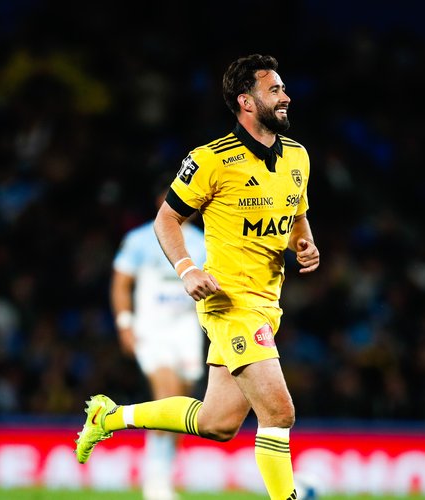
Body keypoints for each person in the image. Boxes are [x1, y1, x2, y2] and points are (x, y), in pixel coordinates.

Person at [75, 54, 319, 500]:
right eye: (274, 90)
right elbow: (166, 220)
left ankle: (109, 417)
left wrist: (304, 244)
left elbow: (296, 218)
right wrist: (187, 269)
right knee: (279, 413)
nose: (285, 96)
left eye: (283, 88)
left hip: (268, 303)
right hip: (231, 303)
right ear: (246, 101)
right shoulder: (211, 160)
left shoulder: (297, 157)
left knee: (217, 423)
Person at [110, 188, 207, 500]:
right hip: (152, 329)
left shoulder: (203, 241)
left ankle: (164, 475)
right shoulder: (140, 239)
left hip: (187, 329)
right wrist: (125, 323)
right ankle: (155, 482)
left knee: (183, 405)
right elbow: (121, 283)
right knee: (167, 395)